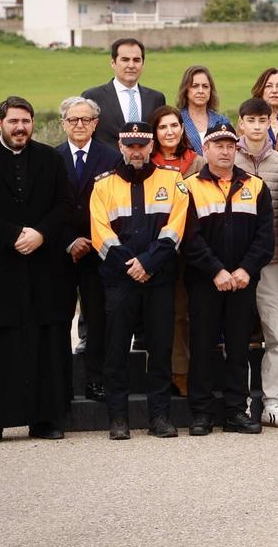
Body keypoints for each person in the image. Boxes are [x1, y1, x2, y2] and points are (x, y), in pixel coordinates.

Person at [0, 96, 71, 443]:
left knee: (44, 341)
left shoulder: (51, 159)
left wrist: (40, 234)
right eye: (13, 122)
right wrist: (12, 236)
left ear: (33, 123)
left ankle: (45, 419)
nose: (20, 127)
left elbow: (64, 204)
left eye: (26, 121)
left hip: (42, 265)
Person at [89, 121, 189, 439]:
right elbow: (100, 234)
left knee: (159, 350)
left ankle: (159, 417)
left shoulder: (173, 181)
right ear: (121, 147)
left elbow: (176, 228)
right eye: (130, 145)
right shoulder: (103, 185)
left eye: (141, 145)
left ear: (150, 147)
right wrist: (131, 265)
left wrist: (147, 263)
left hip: (158, 279)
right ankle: (118, 418)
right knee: (115, 350)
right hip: (119, 281)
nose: (136, 151)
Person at [182, 123, 275, 436]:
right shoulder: (189, 186)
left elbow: (265, 238)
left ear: (237, 149)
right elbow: (189, 239)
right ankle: (202, 413)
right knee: (203, 346)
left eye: (229, 145)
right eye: (218, 145)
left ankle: (236, 411)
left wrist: (245, 270)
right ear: (205, 150)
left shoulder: (256, 185)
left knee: (238, 348)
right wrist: (216, 271)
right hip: (205, 281)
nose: (224, 151)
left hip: (242, 281)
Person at [235, 97, 278, 428]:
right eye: (251, 120)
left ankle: (273, 402)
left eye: (263, 120)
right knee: (239, 335)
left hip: (274, 262)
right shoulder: (226, 159)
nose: (257, 126)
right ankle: (243, 402)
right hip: (237, 265)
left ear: (271, 124)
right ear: (241, 123)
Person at [57, 96, 120, 403]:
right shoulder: (50, 158)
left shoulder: (111, 158)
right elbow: (46, 207)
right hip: (61, 253)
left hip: (99, 252)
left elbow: (116, 206)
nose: (79, 125)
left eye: (85, 120)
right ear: (63, 124)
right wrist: (68, 240)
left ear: (96, 124)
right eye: (73, 120)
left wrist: (94, 240)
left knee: (98, 320)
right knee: (57, 318)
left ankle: (97, 382)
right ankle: (59, 384)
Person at [149, 104, 205, 396]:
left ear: (183, 129)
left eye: (174, 126)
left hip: (192, 248)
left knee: (190, 313)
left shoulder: (196, 163)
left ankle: (194, 371)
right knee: (170, 314)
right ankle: (175, 371)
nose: (169, 132)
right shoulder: (148, 162)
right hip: (157, 249)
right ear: (154, 132)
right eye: (162, 127)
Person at [82, 38, 166, 147]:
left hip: (146, 163)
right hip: (107, 163)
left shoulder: (156, 98)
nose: (131, 65)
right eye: (125, 60)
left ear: (143, 64)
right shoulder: (92, 97)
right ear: (113, 63)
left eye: (136, 60)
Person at [176, 65, 231, 153]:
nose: (201, 91)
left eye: (205, 86)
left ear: (210, 90)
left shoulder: (222, 121)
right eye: (195, 86)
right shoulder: (177, 121)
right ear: (186, 89)